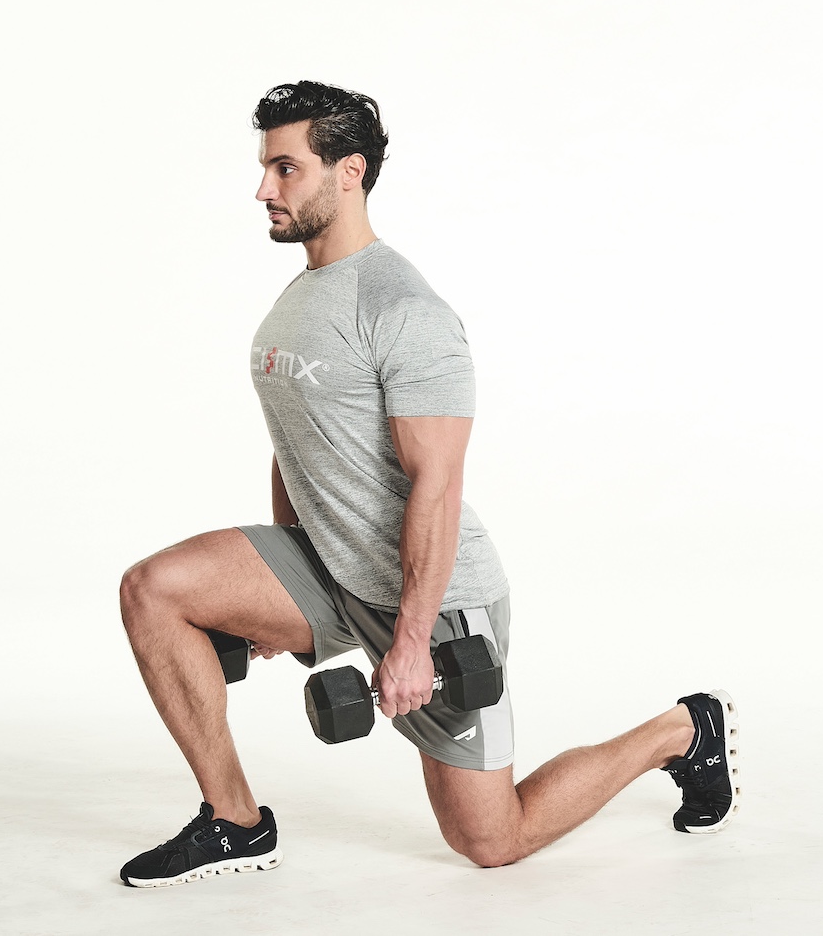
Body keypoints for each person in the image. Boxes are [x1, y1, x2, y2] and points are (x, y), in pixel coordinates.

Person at [118, 81, 740, 888]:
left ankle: (682, 730)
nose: (263, 189)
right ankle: (235, 822)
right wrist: (286, 584)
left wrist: (411, 639)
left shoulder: (402, 307)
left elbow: (436, 487)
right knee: (153, 589)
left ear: (350, 171)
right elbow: (297, 447)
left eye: (285, 168)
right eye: (264, 168)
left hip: (437, 598)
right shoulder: (298, 302)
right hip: (336, 574)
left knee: (491, 839)